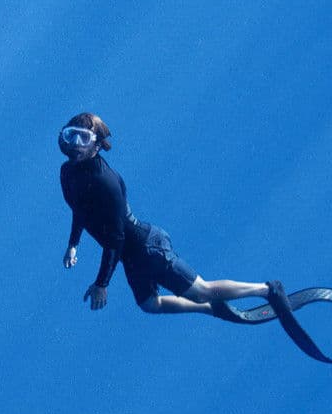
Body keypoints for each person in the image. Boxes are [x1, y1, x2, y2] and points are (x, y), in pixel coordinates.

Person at [57, 112, 271, 316]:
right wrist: (73, 245)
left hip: (147, 248)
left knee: (202, 290)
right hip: (129, 256)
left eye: (84, 138)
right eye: (71, 134)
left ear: (96, 145)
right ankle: (210, 308)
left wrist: (102, 284)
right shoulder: (68, 172)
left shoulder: (105, 183)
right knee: (150, 304)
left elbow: (116, 238)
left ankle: (267, 290)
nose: (76, 143)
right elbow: (80, 209)